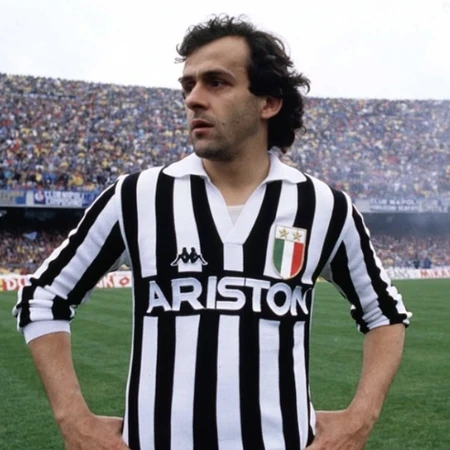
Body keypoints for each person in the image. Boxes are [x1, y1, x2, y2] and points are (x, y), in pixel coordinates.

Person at [13, 15, 411, 450]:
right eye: (188, 86)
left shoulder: (323, 207)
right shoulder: (137, 197)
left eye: (216, 83)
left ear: (268, 102)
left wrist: (359, 419)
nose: (194, 99)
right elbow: (43, 298)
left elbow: (385, 314)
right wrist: (74, 420)